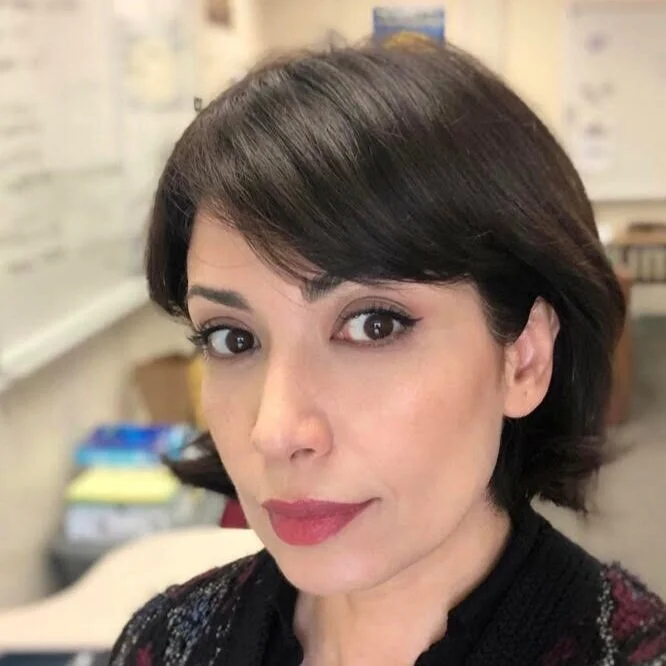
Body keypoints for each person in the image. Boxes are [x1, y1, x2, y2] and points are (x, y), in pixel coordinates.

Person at [110, 41, 666, 665]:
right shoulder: (165, 644)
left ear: (525, 358)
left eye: (373, 325)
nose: (275, 431)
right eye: (231, 339)